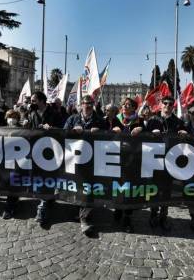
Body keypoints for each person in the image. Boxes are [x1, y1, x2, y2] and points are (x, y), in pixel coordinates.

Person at [64, 95, 107, 236]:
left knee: (88, 188)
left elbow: (110, 136)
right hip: (75, 159)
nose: (87, 105)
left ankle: (85, 219)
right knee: (77, 186)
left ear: (93, 104)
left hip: (93, 160)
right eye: (84, 103)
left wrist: (100, 132)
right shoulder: (72, 119)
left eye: (90, 103)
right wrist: (72, 131)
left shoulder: (100, 120)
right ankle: (79, 211)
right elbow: (62, 134)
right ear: (80, 105)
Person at [146, 95, 187, 231]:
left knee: (167, 190)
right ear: (161, 104)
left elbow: (185, 140)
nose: (168, 106)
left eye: (170, 104)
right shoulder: (152, 119)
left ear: (173, 106)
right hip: (155, 159)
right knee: (154, 189)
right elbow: (143, 137)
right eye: (165, 103)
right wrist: (151, 133)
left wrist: (184, 134)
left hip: (171, 161)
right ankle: (153, 213)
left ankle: (164, 216)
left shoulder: (177, 121)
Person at [28, 91, 62, 226]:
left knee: (49, 176)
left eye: (34, 100)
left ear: (42, 101)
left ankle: (44, 205)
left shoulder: (55, 113)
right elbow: (29, 131)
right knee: (39, 177)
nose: (32, 103)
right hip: (36, 150)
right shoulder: (32, 114)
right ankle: (45, 200)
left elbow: (63, 130)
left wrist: (52, 129)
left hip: (51, 151)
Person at [113, 97, 144, 232]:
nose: (125, 106)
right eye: (124, 104)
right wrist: (111, 130)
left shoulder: (140, 121)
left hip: (133, 159)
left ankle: (127, 216)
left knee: (130, 187)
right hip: (116, 158)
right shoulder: (116, 119)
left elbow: (148, 136)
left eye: (129, 105)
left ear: (134, 108)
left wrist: (142, 130)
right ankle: (118, 207)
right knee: (117, 184)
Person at [2, 109, 22, 219]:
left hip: (17, 162)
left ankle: (10, 206)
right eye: (10, 117)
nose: (11, 119)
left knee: (13, 182)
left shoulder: (22, 129)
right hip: (5, 162)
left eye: (14, 117)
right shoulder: (1, 129)